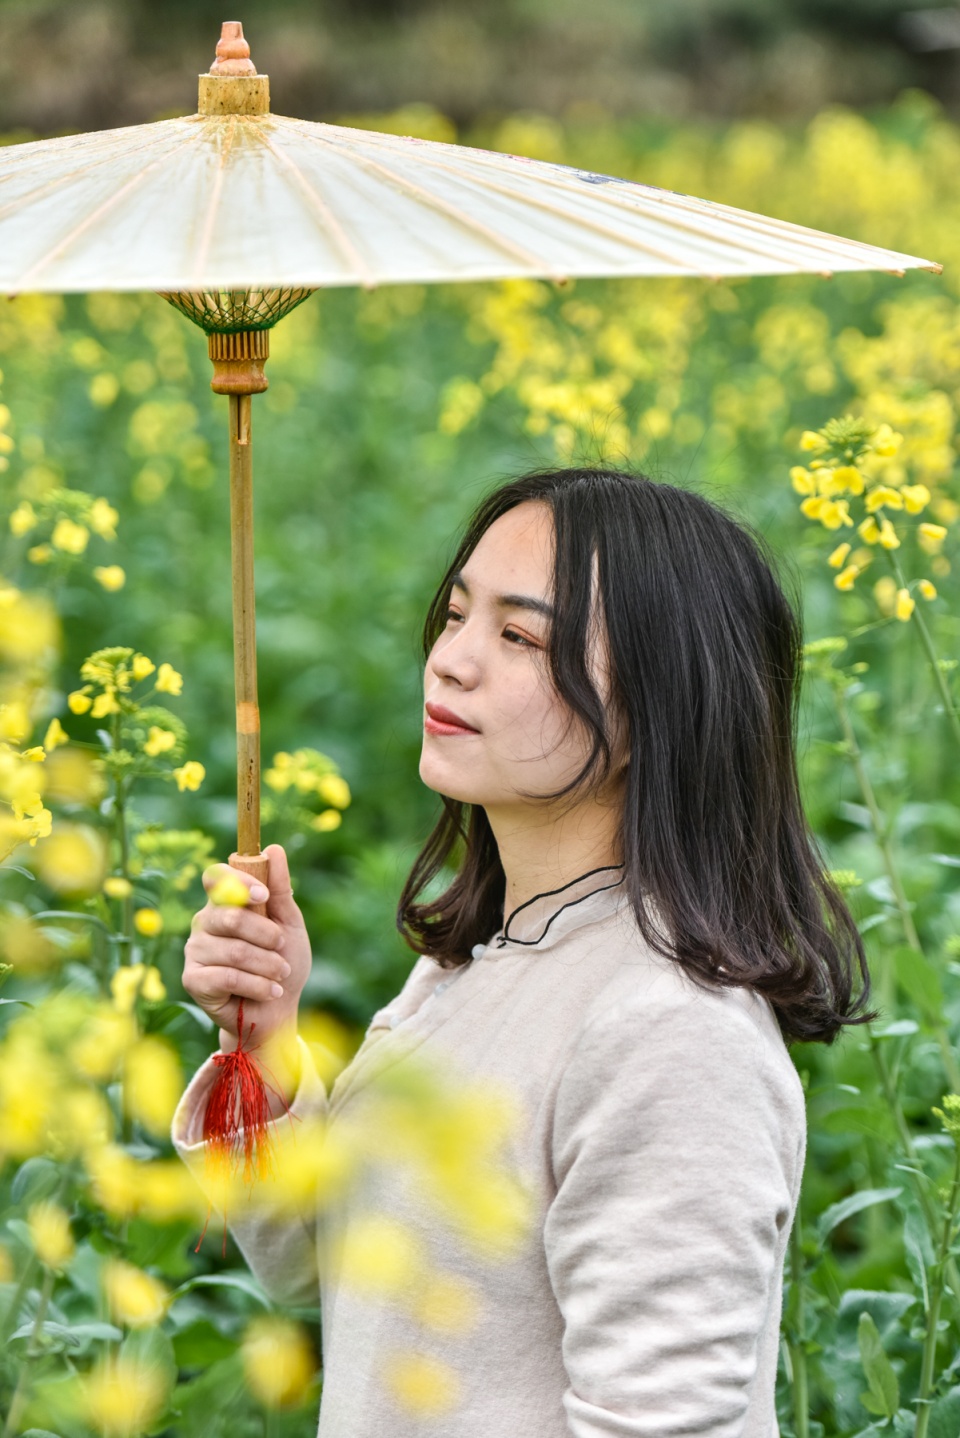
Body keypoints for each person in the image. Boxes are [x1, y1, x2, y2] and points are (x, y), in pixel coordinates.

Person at [172, 467, 872, 1438]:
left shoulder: (670, 1030)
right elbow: (322, 1266)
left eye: (519, 635)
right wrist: (268, 1042)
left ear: (659, 702)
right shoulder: (476, 963)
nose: (452, 660)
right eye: (457, 614)